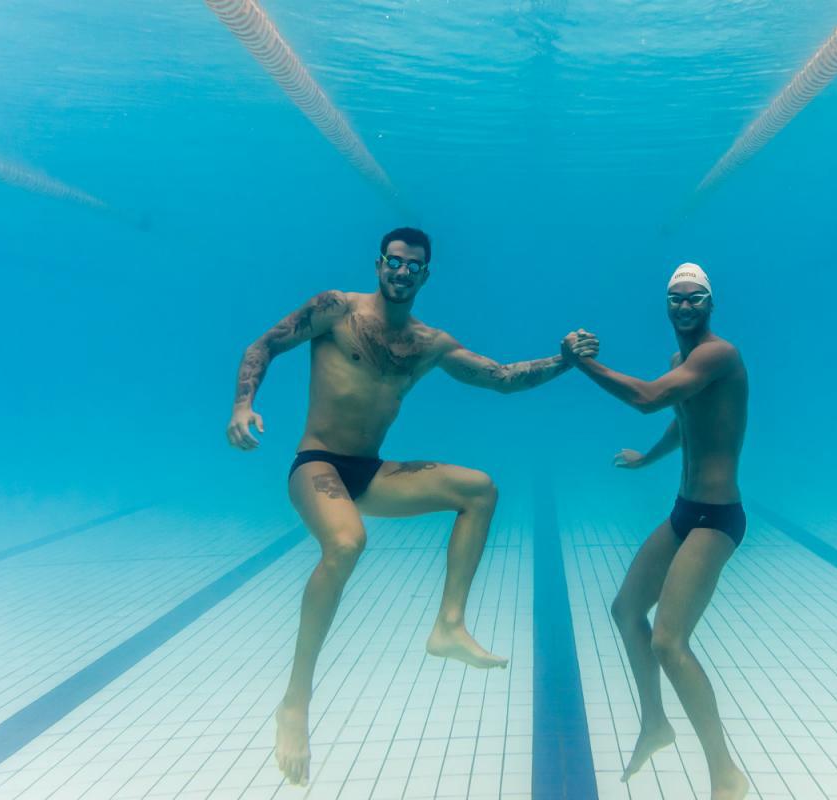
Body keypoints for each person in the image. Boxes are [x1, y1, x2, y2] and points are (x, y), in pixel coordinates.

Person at [226, 227, 597, 786]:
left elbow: (500, 379)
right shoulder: (335, 308)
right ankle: (295, 703)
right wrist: (242, 404)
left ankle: (448, 625)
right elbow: (265, 345)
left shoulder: (430, 344)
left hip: (370, 472)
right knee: (348, 542)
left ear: (425, 275)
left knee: (479, 488)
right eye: (393, 262)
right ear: (379, 264)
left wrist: (565, 359)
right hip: (317, 465)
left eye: (412, 266)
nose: (401, 273)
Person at [564, 263, 750, 800]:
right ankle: (655, 723)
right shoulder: (683, 362)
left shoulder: (720, 354)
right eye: (677, 299)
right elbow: (681, 417)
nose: (686, 307)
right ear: (667, 305)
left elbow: (648, 399)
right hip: (684, 511)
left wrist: (583, 364)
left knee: (669, 641)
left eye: (695, 299)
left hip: (717, 519)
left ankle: (725, 773)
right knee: (625, 610)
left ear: (710, 304)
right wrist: (649, 460)